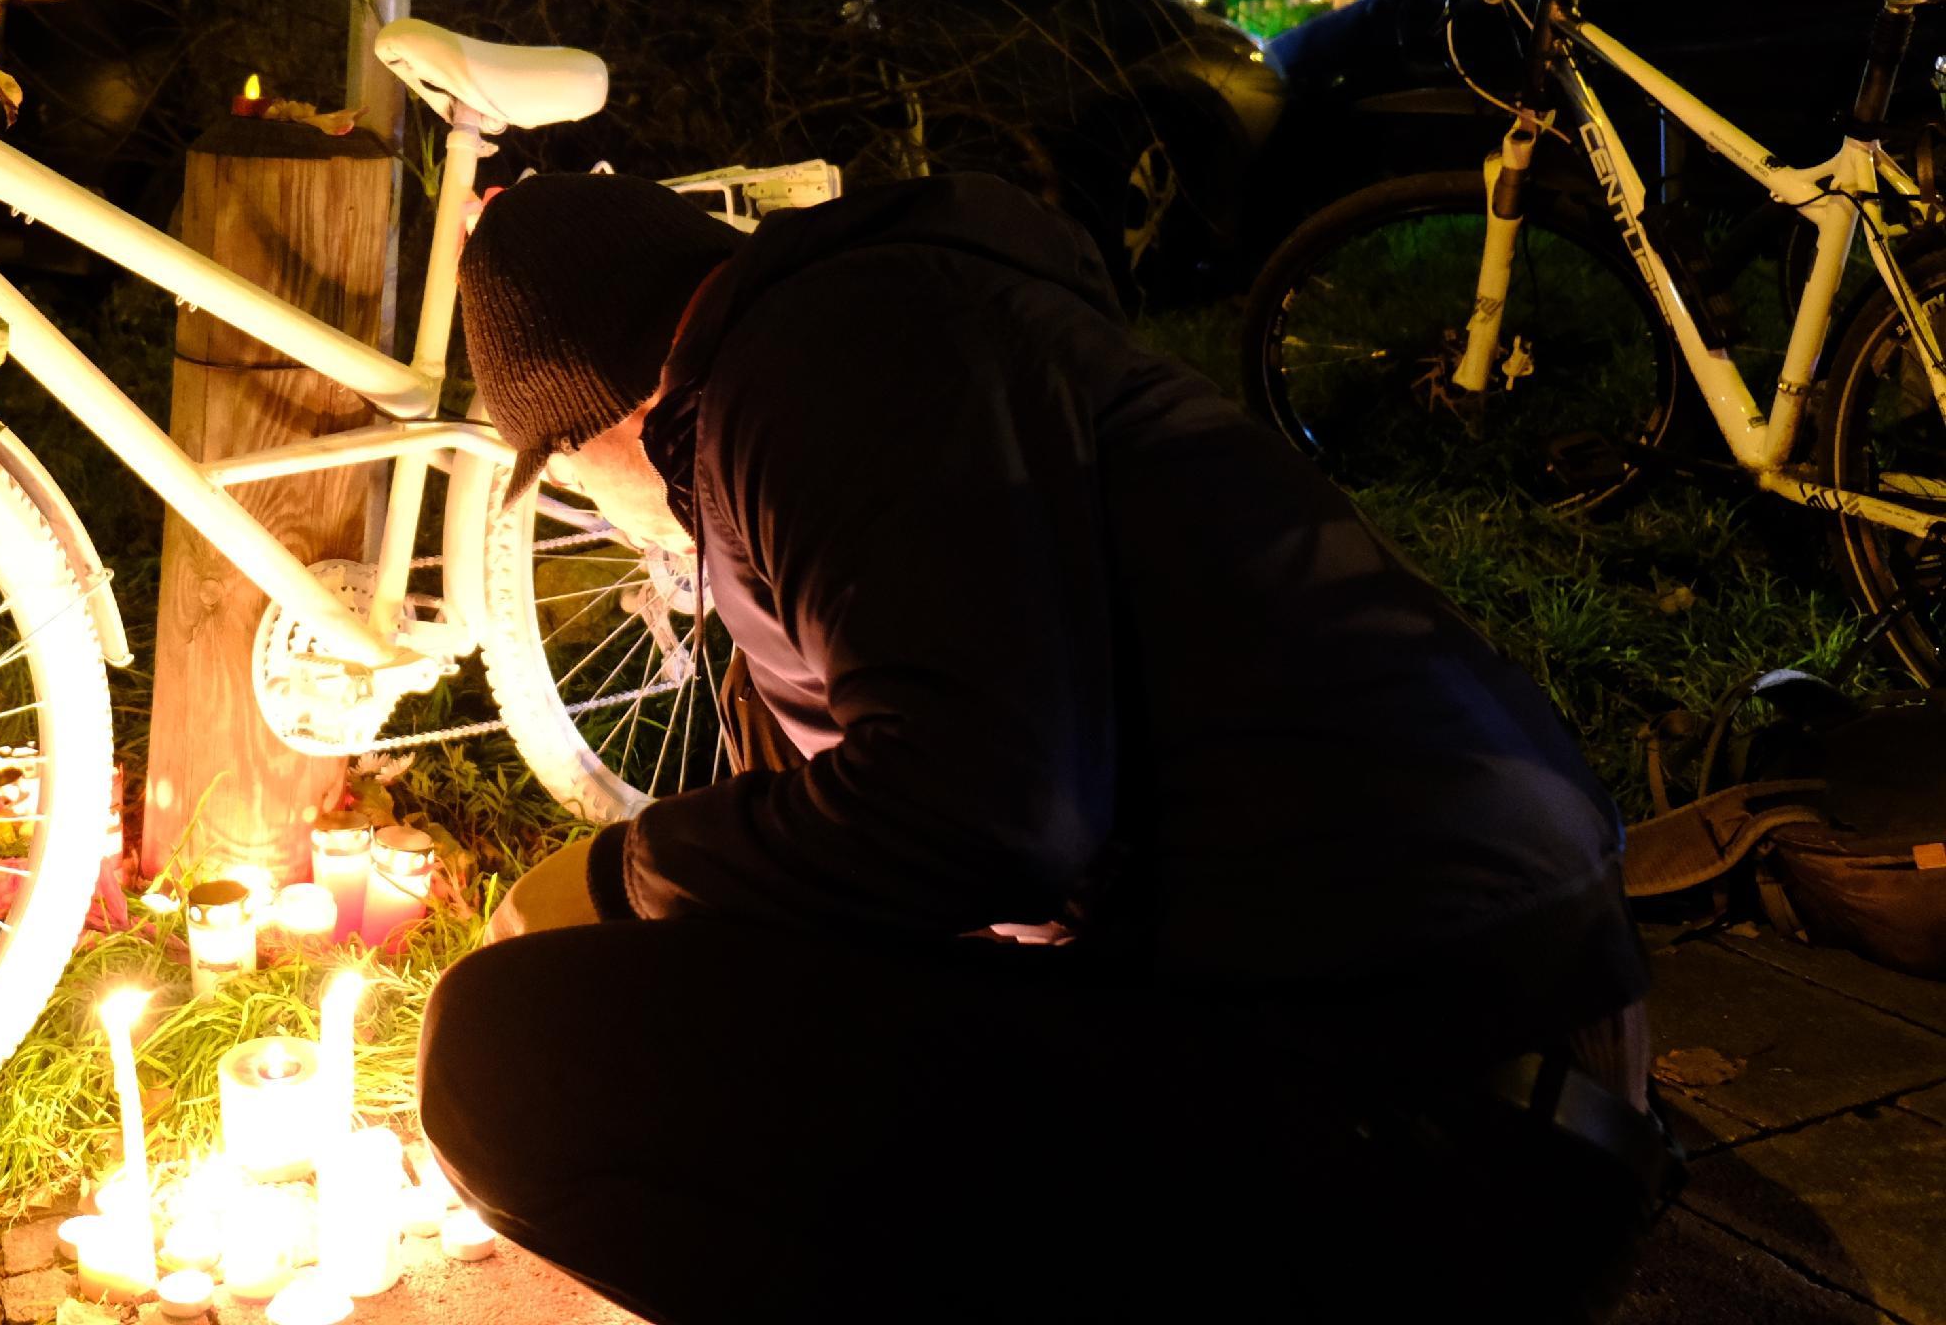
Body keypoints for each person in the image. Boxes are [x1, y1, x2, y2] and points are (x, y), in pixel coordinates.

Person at [418, 170, 1674, 1325]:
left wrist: (617, 875)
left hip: (1430, 1141)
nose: (616, 524)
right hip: (1458, 1050)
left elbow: (990, 810)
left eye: (578, 484)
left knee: (501, 1054)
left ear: (607, 419)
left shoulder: (821, 369)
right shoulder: (900, 330)